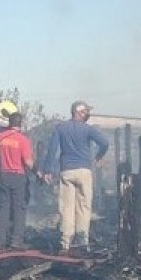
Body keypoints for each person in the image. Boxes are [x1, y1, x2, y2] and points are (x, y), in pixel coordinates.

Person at [40, 100, 109, 251]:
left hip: (67, 171)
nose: (87, 114)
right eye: (86, 111)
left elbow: (52, 150)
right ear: (78, 112)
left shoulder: (61, 128)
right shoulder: (88, 129)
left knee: (66, 208)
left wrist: (47, 170)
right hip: (84, 171)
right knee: (84, 207)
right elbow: (104, 143)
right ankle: (83, 241)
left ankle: (66, 242)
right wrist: (99, 157)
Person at [0, 109, 35, 248]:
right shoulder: (23, 140)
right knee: (19, 208)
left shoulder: (0, 138)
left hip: (4, 176)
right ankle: (16, 241)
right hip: (18, 176)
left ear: (9, 123)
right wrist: (38, 172)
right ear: (20, 124)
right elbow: (28, 162)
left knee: (3, 209)